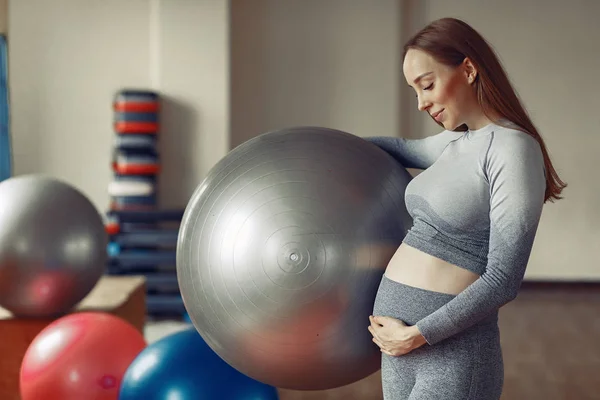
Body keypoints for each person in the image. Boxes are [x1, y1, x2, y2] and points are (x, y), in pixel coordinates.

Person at [365, 17, 567, 399]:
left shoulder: (512, 148)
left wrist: (418, 334)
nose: (422, 102)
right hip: (399, 349)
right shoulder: (454, 142)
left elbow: (504, 278)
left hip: (450, 354)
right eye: (414, 91)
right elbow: (397, 147)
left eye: (427, 85)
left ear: (469, 69)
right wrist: (317, 144)